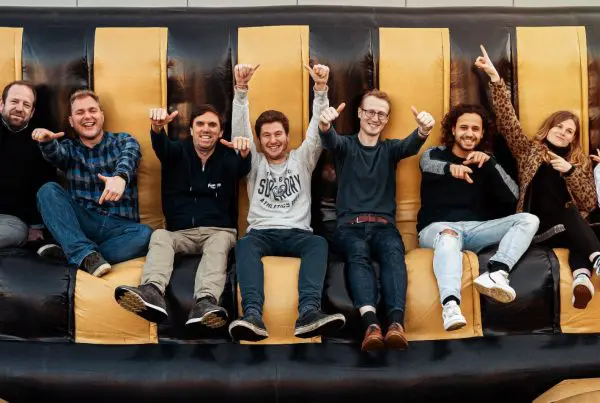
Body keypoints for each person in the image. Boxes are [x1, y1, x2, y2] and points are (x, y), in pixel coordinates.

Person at [477, 44, 600, 309]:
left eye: (569, 131)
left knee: (577, 222)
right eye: (559, 126)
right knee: (572, 215)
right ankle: (598, 258)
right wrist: (496, 79)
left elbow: (590, 203)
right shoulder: (529, 151)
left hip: (572, 226)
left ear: (573, 138)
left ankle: (582, 279)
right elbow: (508, 122)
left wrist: (570, 171)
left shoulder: (578, 163)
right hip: (540, 229)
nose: (563, 132)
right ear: (549, 128)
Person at [228, 63, 345, 342]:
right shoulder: (254, 163)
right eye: (266, 135)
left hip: (297, 234)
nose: (273, 140)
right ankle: (252, 315)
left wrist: (320, 90)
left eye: (278, 134)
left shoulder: (302, 159)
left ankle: (309, 313)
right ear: (259, 140)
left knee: (319, 243)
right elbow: (240, 135)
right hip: (261, 233)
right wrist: (241, 91)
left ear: (287, 136)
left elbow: (316, 131)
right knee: (243, 244)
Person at [114, 105, 251, 330]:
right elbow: (162, 146)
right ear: (191, 129)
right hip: (180, 233)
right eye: (200, 124)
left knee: (219, 243)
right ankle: (151, 291)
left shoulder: (227, 157)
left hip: (218, 231)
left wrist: (245, 153)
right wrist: (157, 129)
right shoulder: (177, 152)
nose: (206, 129)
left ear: (220, 132)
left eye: (212, 125)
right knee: (160, 236)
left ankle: (205, 302)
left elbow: (241, 167)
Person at [319, 89, 432, 352]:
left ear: (386, 119)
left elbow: (410, 145)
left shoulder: (389, 149)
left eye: (381, 114)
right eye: (370, 111)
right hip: (349, 227)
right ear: (359, 113)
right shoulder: (345, 146)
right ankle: (371, 324)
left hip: (384, 226)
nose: (375, 118)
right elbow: (329, 139)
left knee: (393, 251)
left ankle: (395, 324)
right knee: (357, 251)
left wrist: (424, 130)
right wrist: (325, 125)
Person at [417, 104, 539, 331]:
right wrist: (451, 169)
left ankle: (497, 273)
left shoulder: (487, 161)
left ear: (482, 134)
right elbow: (427, 165)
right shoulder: (434, 154)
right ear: (453, 130)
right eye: (464, 127)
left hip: (476, 230)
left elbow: (513, 196)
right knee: (449, 236)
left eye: (475, 129)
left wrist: (490, 163)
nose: (469, 133)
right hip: (438, 229)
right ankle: (450, 305)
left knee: (529, 220)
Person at [33, 89, 152, 277]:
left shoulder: (124, 140)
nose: (87, 116)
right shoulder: (69, 148)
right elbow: (56, 155)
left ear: (101, 116)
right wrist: (47, 142)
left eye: (92, 110)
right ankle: (84, 253)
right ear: (71, 121)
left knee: (146, 235)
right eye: (80, 112)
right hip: (83, 223)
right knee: (47, 191)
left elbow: (130, 157)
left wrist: (120, 178)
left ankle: (75, 254)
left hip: (119, 228)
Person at [0, 80, 55, 249]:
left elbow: (43, 185)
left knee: (11, 233)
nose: (19, 108)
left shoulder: (39, 143)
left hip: (10, 221)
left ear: (32, 113)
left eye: (26, 105)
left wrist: (36, 226)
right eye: (14, 101)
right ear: (2, 104)